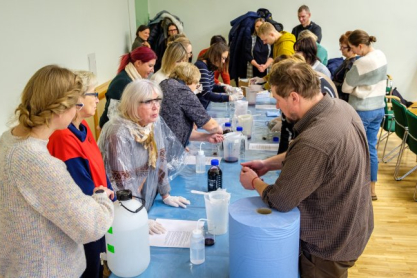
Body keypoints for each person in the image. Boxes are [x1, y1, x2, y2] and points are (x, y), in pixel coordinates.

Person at [240, 59, 373, 277]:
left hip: (328, 246)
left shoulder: (316, 140)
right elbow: (307, 156)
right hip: (353, 226)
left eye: (277, 99)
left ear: (294, 97)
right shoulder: (340, 107)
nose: (276, 106)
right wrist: (267, 164)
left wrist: (254, 182)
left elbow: (280, 200)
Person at [0, 65, 114, 277]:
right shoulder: (36, 161)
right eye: (75, 104)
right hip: (46, 269)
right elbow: (90, 225)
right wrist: (102, 199)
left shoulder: (8, 140)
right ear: (61, 109)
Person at [47, 70, 115, 278]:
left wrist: (111, 192)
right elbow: (81, 187)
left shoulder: (83, 125)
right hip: (85, 216)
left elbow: (98, 167)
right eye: (93, 94)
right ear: (76, 100)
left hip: (99, 206)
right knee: (89, 269)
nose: (97, 99)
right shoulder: (62, 136)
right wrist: (105, 201)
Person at [98, 80, 190, 234]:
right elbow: (122, 181)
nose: (156, 107)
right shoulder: (118, 133)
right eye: (148, 102)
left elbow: (160, 157)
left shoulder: (152, 122)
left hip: (143, 195)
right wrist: (139, 217)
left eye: (157, 100)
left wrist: (166, 193)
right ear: (132, 104)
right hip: (123, 208)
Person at [342, 30, 387, 201]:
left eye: (353, 48)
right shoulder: (381, 55)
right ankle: (371, 189)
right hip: (378, 109)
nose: (353, 52)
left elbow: (346, 87)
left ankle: (354, 187)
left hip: (362, 110)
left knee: (355, 150)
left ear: (360, 46)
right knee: (371, 148)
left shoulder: (361, 63)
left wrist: (358, 89)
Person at [159, 62, 224, 147]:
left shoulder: (164, 84)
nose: (197, 87)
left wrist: (207, 137)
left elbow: (178, 129)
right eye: (196, 83)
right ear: (189, 80)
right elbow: (211, 126)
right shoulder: (183, 91)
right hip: (169, 147)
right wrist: (220, 129)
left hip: (162, 143)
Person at [99, 46, 157, 127]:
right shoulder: (123, 82)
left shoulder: (131, 78)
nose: (153, 70)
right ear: (138, 63)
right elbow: (117, 116)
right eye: (150, 66)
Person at [195, 42, 243, 109]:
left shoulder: (209, 66)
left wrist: (224, 88)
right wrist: (230, 97)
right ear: (216, 55)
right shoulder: (201, 66)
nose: (223, 62)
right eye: (223, 58)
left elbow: (211, 86)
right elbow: (207, 93)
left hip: (205, 105)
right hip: (200, 107)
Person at [333, 31, 359, 102]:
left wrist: (332, 83)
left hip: (343, 100)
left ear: (351, 48)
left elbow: (345, 86)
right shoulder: (347, 61)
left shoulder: (350, 64)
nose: (340, 49)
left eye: (343, 47)